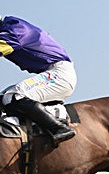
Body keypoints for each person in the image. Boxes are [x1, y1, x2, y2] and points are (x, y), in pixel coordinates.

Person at [0, 15, 76, 145]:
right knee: (3, 98)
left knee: (13, 96)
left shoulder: (13, 31)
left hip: (59, 74)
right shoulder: (10, 26)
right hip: (54, 72)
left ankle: (59, 128)